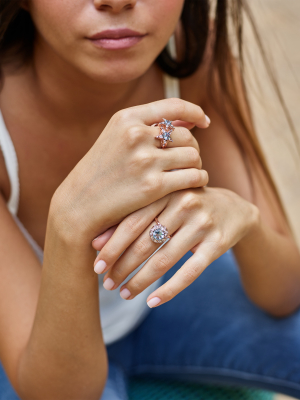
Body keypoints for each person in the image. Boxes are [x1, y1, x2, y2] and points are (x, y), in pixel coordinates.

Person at [0, 1, 300, 399]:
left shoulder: (190, 52)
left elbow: (285, 293)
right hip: (33, 347)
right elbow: (57, 392)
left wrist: (244, 218)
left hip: (155, 302)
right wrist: (70, 223)